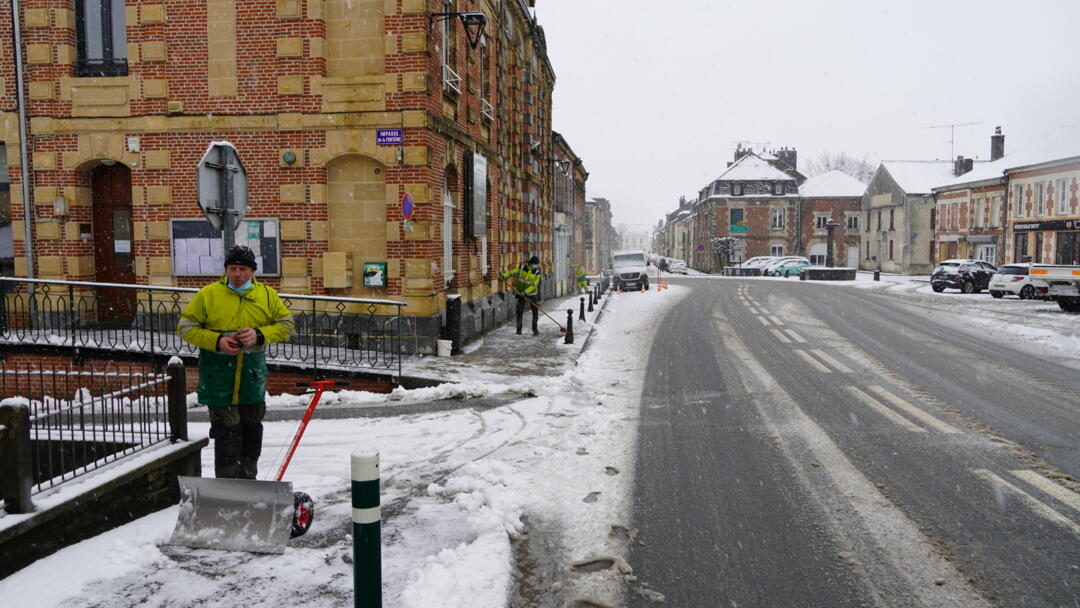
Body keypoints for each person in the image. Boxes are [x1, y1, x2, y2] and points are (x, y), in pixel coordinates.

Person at [177, 245, 294, 479]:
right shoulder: (208, 295)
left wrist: (259, 335)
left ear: (252, 271)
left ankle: (249, 481)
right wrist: (217, 340)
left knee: (252, 432)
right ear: (226, 270)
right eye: (232, 268)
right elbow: (185, 327)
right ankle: (227, 485)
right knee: (227, 435)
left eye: (242, 269)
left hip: (252, 378)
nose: (237, 274)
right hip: (219, 378)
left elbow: (286, 325)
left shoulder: (267, 296)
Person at [501, 255, 542, 335]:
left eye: (537, 264)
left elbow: (534, 285)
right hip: (520, 293)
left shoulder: (537, 272)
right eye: (535, 264)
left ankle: (535, 329)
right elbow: (512, 272)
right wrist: (504, 275)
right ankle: (519, 330)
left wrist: (526, 292)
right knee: (519, 311)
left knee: (535, 311)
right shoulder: (522, 267)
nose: (536, 266)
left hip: (532, 294)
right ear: (531, 263)